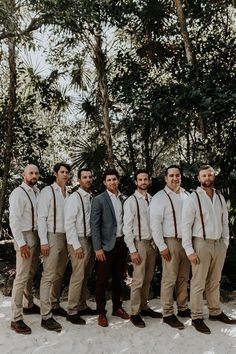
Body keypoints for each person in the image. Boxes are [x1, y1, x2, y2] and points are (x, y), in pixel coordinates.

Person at [182, 164, 236, 334]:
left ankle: (215, 312)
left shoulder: (219, 196)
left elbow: (224, 222)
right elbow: (185, 226)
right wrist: (189, 250)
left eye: (210, 175)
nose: (207, 178)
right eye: (204, 175)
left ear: (214, 177)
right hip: (201, 243)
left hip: (218, 244)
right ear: (198, 178)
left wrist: (225, 242)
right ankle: (197, 316)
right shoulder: (193, 198)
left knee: (215, 280)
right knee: (198, 282)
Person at [149, 165, 190, 330]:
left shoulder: (187, 195)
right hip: (170, 242)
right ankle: (167, 313)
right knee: (169, 279)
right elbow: (155, 224)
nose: (175, 178)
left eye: (177, 175)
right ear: (166, 178)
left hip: (186, 242)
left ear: (180, 177)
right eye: (171, 175)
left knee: (183, 278)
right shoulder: (159, 197)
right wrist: (161, 246)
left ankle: (182, 307)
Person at [90, 168, 130, 327]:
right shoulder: (99, 200)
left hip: (121, 244)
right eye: (109, 180)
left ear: (118, 180)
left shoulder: (125, 198)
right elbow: (94, 225)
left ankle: (117, 308)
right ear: (104, 182)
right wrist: (97, 248)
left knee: (119, 278)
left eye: (114, 179)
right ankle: (101, 312)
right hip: (105, 247)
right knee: (101, 280)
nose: (112, 182)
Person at [123, 169, 161, 328]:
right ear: (136, 182)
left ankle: (144, 307)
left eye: (146, 179)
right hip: (139, 244)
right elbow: (127, 228)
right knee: (138, 280)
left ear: (149, 181)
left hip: (152, 243)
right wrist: (132, 250)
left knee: (148, 278)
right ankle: (134, 313)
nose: (143, 182)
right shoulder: (131, 201)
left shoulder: (152, 199)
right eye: (140, 179)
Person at [38, 162, 70, 332]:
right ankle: (45, 316)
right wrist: (43, 240)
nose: (65, 174)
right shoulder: (47, 191)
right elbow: (41, 217)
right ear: (55, 173)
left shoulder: (68, 192)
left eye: (67, 172)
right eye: (62, 172)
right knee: (48, 275)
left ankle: (55, 304)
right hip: (52, 235)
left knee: (59, 273)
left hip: (67, 237)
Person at [9, 164, 40, 334]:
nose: (34, 175)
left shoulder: (37, 191)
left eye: (36, 173)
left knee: (30, 272)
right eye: (31, 173)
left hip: (35, 235)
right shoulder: (17, 193)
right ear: (23, 174)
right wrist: (21, 243)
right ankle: (16, 318)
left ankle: (28, 304)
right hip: (24, 236)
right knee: (21, 277)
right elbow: (14, 220)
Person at [64, 168, 97, 325]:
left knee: (85, 274)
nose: (88, 179)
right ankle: (71, 311)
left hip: (89, 239)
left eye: (90, 177)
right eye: (84, 177)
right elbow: (69, 223)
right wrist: (76, 245)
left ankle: (82, 305)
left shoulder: (90, 197)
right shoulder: (74, 198)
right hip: (78, 240)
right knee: (78, 275)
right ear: (78, 180)